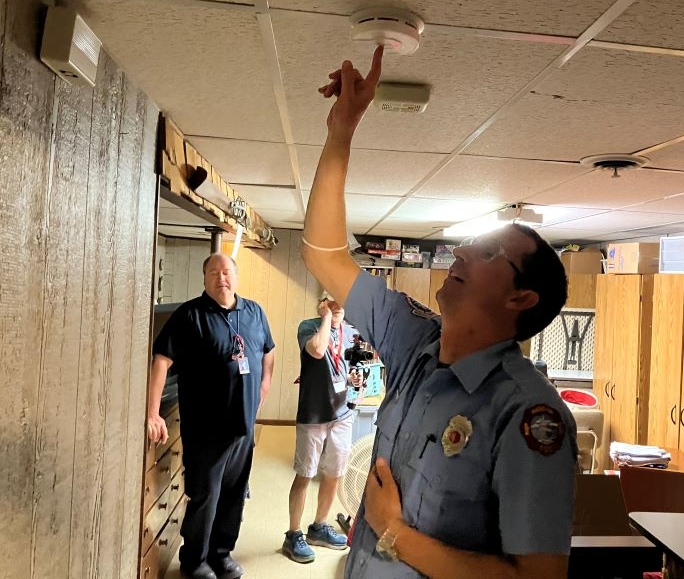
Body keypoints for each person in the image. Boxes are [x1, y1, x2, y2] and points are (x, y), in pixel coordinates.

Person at [301, 46, 577, 579]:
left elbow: (539, 575)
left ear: (521, 299)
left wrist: (395, 536)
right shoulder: (413, 340)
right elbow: (323, 254)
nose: (462, 252)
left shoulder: (526, 416)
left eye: (489, 253)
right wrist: (341, 132)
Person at [147, 253, 275, 579]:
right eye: (214, 273)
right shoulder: (190, 315)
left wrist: (264, 386)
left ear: (236, 276)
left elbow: (268, 351)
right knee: (205, 496)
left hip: (243, 427)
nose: (222, 278)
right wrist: (152, 412)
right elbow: (161, 360)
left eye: (227, 272)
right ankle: (194, 561)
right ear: (204, 278)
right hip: (206, 428)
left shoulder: (255, 312)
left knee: (234, 494)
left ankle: (221, 554)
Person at [282, 292, 363, 563]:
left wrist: (354, 380)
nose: (338, 303)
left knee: (335, 473)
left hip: (342, 413)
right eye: (332, 298)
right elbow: (317, 351)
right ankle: (293, 534)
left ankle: (319, 527)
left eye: (342, 298)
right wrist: (327, 317)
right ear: (323, 301)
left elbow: (349, 367)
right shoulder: (309, 326)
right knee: (305, 473)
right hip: (313, 414)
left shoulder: (352, 332)